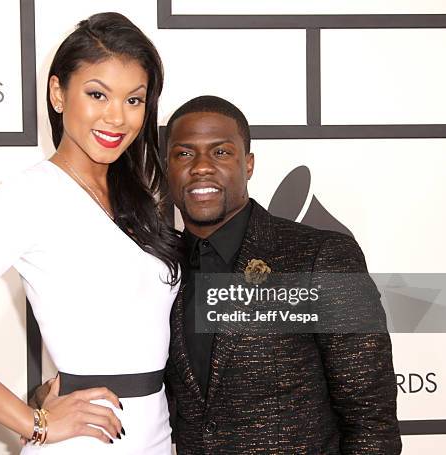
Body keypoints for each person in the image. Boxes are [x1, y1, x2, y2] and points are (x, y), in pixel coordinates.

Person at [0, 12, 183, 454]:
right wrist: (35, 423)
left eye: (134, 100)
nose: (116, 117)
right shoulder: (30, 194)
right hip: (86, 445)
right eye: (97, 94)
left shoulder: (143, 199)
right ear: (57, 93)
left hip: (156, 436)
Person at [163, 95, 402, 454]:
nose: (200, 167)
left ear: (248, 164)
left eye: (221, 152)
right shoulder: (160, 268)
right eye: (184, 154)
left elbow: (370, 419)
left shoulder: (319, 256)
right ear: (167, 167)